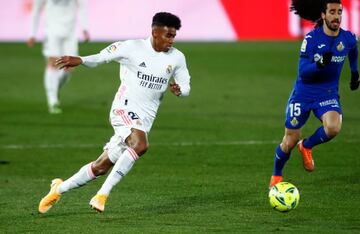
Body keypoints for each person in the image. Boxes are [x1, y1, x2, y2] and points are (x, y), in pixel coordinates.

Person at [38, 12, 191, 213]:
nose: (171, 40)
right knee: (141, 145)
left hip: (145, 119)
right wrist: (81, 60)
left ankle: (59, 188)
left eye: (173, 36)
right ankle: (102, 194)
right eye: (167, 35)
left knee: (100, 167)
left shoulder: (177, 58)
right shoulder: (131, 47)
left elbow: (186, 84)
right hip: (123, 109)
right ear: (155, 32)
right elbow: (102, 57)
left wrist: (181, 91)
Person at [269, 0, 359, 188]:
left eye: (339, 12)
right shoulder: (311, 40)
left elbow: (353, 51)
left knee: (334, 127)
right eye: (332, 12)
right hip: (303, 93)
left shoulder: (348, 38)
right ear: (323, 15)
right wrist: (319, 64)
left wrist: (354, 72)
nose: (337, 16)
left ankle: (307, 145)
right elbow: (303, 72)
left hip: (327, 93)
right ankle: (277, 175)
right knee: (290, 140)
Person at [27, 0, 90, 114]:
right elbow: (36, 10)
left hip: (70, 32)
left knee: (69, 67)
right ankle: (53, 101)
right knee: (52, 63)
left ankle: (55, 89)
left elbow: (82, 6)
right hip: (52, 31)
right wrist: (32, 33)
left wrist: (85, 28)